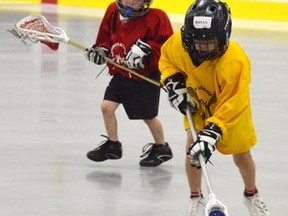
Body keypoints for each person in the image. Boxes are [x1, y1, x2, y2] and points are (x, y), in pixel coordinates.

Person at [159, 0, 271, 215]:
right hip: (198, 104)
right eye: (197, 41)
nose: (203, 47)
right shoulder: (178, 44)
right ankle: (196, 197)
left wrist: (215, 130)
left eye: (210, 41)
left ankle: (252, 194)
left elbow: (235, 101)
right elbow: (166, 60)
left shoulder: (235, 60)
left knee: (242, 157)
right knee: (193, 151)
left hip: (231, 112)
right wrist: (173, 82)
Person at [84, 0, 174, 167]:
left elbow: (167, 47)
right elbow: (104, 39)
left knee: (148, 116)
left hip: (143, 76)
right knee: (106, 107)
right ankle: (113, 145)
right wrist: (100, 51)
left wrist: (146, 51)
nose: (132, 1)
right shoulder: (112, 10)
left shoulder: (157, 17)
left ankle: (161, 147)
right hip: (121, 73)